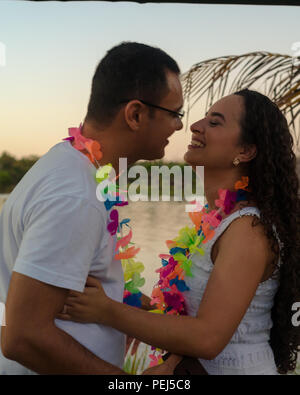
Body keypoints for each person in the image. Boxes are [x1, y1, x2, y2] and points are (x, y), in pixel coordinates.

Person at [57, 89, 300, 375]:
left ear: (244, 151)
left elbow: (208, 338)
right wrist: (123, 299)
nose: (195, 125)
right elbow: (193, 314)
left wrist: (106, 311)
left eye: (215, 122)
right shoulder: (219, 221)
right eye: (205, 117)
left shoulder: (248, 229)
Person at [0, 42, 184, 374]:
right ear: (136, 114)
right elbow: (23, 337)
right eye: (175, 113)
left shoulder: (77, 170)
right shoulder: (74, 195)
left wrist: (135, 305)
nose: (180, 127)